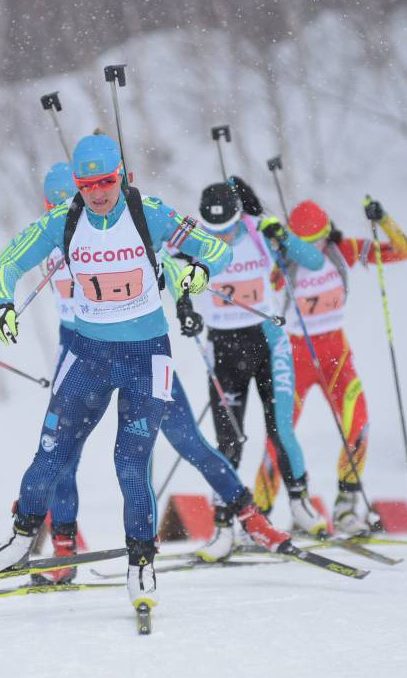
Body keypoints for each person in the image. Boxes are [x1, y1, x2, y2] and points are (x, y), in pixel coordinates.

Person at [0, 135, 300, 615]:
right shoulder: (62, 220)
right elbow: (7, 265)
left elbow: (216, 251)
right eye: (87, 184)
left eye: (106, 182)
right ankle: (20, 540)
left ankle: (141, 563)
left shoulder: (147, 212)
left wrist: (196, 273)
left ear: (121, 176)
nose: (97, 193)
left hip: (145, 356)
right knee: (52, 454)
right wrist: (4, 303)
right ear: (77, 185)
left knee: (130, 464)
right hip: (88, 354)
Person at [176, 178, 328, 560]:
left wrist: (282, 233)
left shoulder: (259, 231)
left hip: (267, 342)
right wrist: (184, 304)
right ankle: (225, 526)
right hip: (223, 348)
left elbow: (313, 261)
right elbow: (163, 264)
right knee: (228, 441)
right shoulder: (194, 238)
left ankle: (299, 504)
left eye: (227, 228)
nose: (222, 238)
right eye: (215, 231)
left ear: (239, 216)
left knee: (281, 428)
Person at [251, 197, 407, 534]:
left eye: (320, 242)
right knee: (279, 435)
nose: (315, 251)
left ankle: (346, 507)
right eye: (306, 245)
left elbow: (404, 251)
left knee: (359, 423)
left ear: (329, 234)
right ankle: (260, 515)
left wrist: (383, 219)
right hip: (294, 357)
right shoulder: (281, 262)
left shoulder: (345, 251)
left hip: (335, 355)